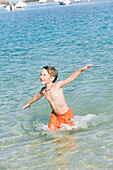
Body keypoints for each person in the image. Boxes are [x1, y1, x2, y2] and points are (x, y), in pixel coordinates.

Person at [23, 64, 93, 131]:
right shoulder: (44, 90)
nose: (41, 77)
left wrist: (81, 70)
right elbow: (37, 96)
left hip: (66, 115)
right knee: (50, 132)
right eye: (41, 74)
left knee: (69, 133)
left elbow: (70, 78)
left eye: (44, 75)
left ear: (52, 78)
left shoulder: (58, 86)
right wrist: (29, 103)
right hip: (54, 116)